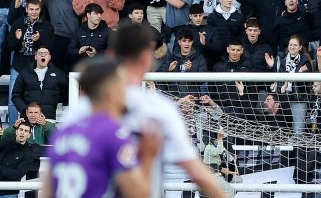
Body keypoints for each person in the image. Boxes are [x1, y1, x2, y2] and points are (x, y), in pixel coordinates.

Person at [67, 24, 227, 198]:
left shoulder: (81, 109)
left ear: (110, 55)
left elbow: (55, 175)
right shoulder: (158, 108)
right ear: (147, 59)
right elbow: (199, 174)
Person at [41, 58, 159, 198]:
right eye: (123, 86)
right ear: (110, 93)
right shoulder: (114, 134)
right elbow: (138, 193)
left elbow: (47, 191)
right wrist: (148, 157)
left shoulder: (62, 133)